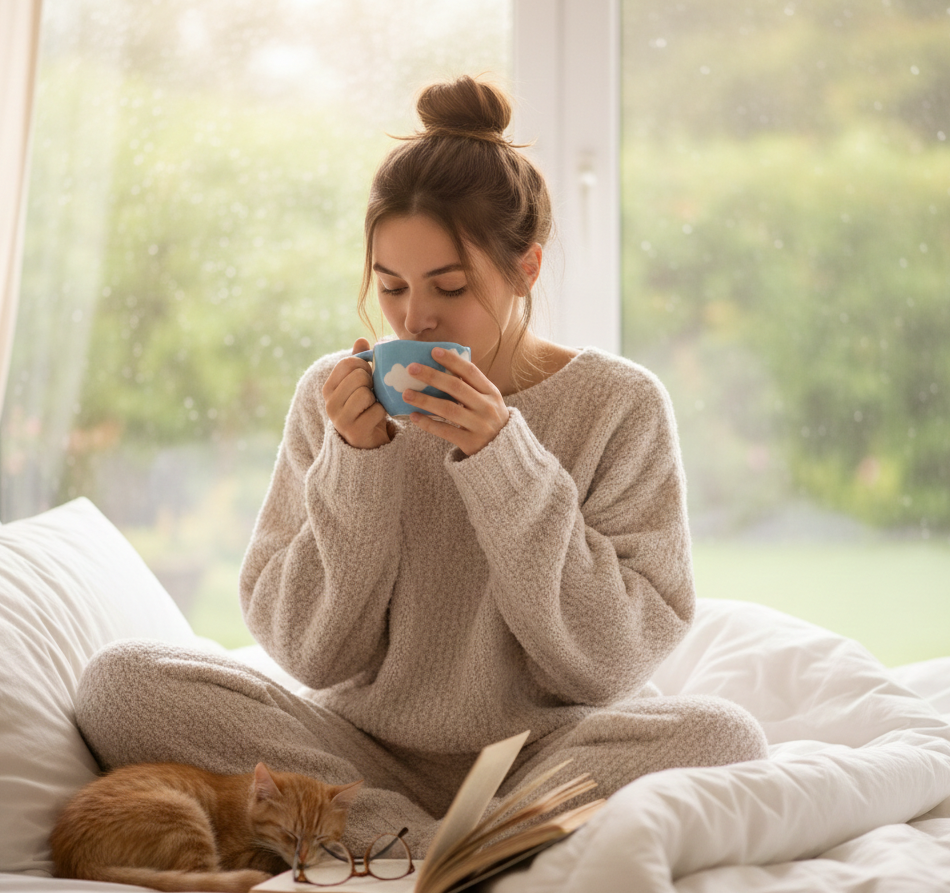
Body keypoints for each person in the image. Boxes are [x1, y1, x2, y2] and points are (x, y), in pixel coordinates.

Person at [77, 75, 767, 856]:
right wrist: (355, 462)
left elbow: (606, 661)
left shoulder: (621, 404)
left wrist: (503, 459)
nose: (415, 318)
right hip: (355, 752)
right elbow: (312, 653)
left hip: (544, 751)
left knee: (722, 734)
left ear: (527, 269)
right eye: (391, 286)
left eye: (449, 286)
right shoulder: (332, 400)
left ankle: (422, 840)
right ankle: (439, 843)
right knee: (120, 681)